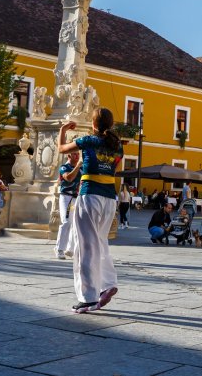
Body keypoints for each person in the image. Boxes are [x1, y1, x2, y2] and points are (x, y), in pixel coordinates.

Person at [57, 107, 121, 314]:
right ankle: (108, 282)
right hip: (110, 198)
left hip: (90, 193)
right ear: (110, 125)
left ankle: (88, 298)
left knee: (84, 246)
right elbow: (116, 168)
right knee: (100, 241)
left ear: (93, 124)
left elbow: (61, 149)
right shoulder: (116, 145)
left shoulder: (88, 141)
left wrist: (63, 130)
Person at [55, 152, 82, 260]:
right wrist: (78, 166)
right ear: (69, 156)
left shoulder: (81, 168)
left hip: (74, 199)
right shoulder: (64, 167)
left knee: (73, 222)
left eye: (78, 154)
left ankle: (70, 249)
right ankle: (59, 249)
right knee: (66, 221)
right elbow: (69, 178)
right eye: (74, 154)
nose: (77, 156)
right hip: (66, 198)